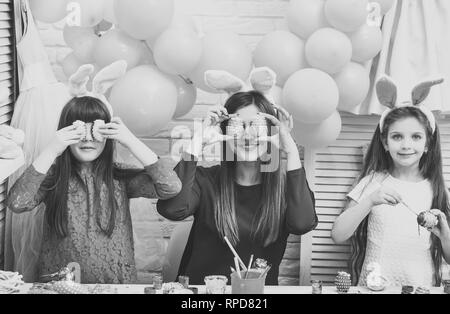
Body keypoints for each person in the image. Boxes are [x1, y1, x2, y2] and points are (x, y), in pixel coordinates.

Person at [158, 69, 317, 285]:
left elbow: (302, 223)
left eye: (257, 127)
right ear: (223, 132)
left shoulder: (284, 187)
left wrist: (289, 149)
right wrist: (197, 142)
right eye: (237, 126)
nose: (248, 135)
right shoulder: (206, 180)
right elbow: (171, 209)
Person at [7, 95, 182, 284]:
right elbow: (17, 202)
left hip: (115, 283)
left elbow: (171, 186)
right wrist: (51, 150)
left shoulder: (120, 177)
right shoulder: (53, 177)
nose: (88, 138)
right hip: (61, 284)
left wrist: (130, 140)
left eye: (95, 131)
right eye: (80, 131)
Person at [332, 77, 450, 287]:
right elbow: (339, 235)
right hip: (373, 288)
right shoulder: (372, 182)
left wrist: (445, 237)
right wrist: (369, 201)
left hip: (420, 287)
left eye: (415, 137)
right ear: (385, 143)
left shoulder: (438, 190)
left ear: (427, 145)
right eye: (397, 137)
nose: (406, 145)